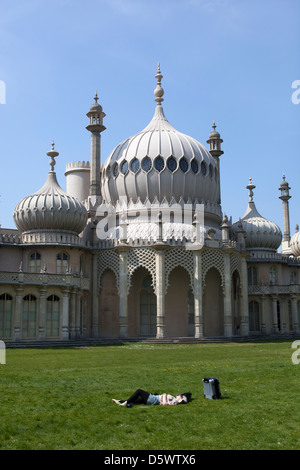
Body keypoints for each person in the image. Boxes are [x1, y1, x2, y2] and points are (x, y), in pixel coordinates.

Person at [112, 389, 191, 406]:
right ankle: (121, 401)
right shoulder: (174, 399)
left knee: (139, 391)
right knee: (137, 400)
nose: (178, 395)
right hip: (153, 399)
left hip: (153, 399)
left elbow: (165, 403)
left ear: (181, 398)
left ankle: (125, 403)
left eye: (180, 395)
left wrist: (164, 397)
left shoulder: (175, 401)